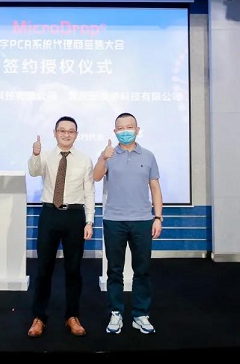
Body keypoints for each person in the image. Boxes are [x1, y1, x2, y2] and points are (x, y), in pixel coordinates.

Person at [93, 112, 163, 335]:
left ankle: (140, 314)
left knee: (142, 270)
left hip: (142, 220)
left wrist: (158, 217)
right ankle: (116, 312)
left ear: (137, 129)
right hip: (114, 220)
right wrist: (103, 158)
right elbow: (96, 177)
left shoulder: (149, 156)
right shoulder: (109, 154)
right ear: (115, 132)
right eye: (121, 128)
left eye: (129, 127)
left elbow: (155, 188)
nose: (125, 131)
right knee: (114, 271)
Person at [26, 116, 95, 338]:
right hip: (50, 214)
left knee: (73, 270)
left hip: (75, 216)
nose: (66, 134)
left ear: (76, 134)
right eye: (62, 130)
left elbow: (89, 192)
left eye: (71, 131)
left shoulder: (84, 159)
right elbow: (34, 171)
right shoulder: (45, 156)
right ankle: (39, 317)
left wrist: (89, 221)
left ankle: (72, 316)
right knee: (43, 269)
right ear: (55, 133)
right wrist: (35, 154)